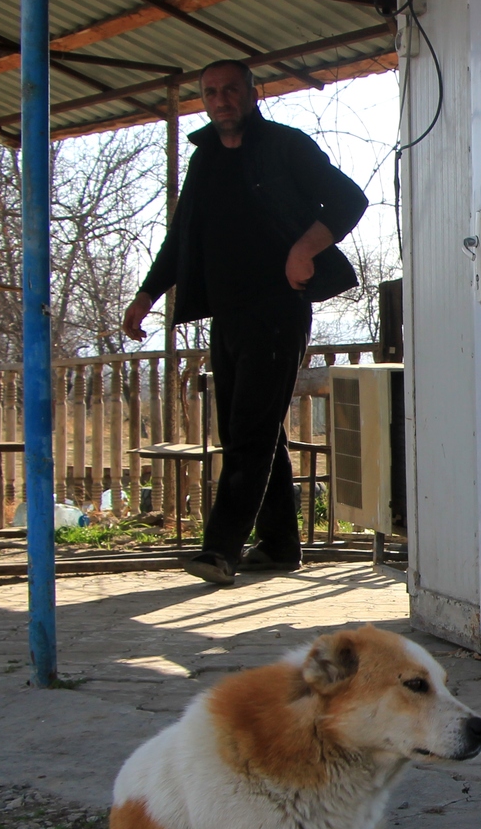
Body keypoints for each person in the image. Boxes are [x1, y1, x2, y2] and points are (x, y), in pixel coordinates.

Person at [122, 60, 368, 587]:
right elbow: (180, 239)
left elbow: (350, 199)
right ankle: (279, 544)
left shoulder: (285, 146)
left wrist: (305, 248)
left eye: (230, 89)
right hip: (228, 314)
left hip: (279, 309)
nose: (220, 99)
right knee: (249, 429)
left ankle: (219, 549)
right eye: (211, 92)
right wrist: (146, 295)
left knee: (249, 431)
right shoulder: (205, 158)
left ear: (252, 94)